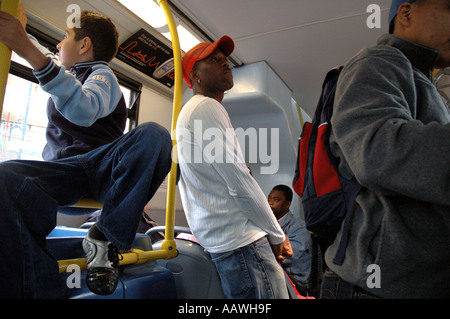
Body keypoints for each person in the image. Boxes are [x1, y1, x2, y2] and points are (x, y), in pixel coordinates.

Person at [0, 8, 172, 298]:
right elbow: (48, 56)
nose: (58, 43)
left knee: (155, 134)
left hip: (99, 168)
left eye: (65, 36)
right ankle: (35, 285)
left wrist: (28, 49)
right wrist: (21, 32)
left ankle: (105, 238)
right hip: (64, 173)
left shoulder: (102, 76)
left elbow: (85, 108)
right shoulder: (66, 74)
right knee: (6, 176)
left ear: (84, 45)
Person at [320, 0, 450, 299]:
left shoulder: (427, 86)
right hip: (376, 286)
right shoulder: (380, 60)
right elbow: (376, 151)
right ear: (406, 13)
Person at [176, 36, 292, 299]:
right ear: (195, 76)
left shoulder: (192, 112)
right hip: (243, 245)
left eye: (225, 59)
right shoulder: (205, 107)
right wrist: (276, 233)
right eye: (214, 60)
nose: (225, 63)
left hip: (227, 244)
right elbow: (239, 183)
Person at [268, 185, 312, 296]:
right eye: (269, 198)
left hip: (295, 282)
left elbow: (286, 257)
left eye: (276, 199)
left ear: (288, 204)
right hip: (277, 277)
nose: (270, 203)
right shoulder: (268, 224)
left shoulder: (299, 227)